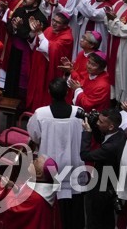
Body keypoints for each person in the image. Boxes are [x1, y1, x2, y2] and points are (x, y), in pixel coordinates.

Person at [26, 78, 84, 228]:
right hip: (72, 162)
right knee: (71, 209)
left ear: (49, 93)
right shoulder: (78, 112)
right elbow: (85, 135)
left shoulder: (41, 113)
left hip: (48, 164)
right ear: (67, 92)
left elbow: (34, 136)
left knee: (50, 204)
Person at [80, 108, 127, 228]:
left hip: (101, 189)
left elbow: (85, 155)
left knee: (95, 221)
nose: (97, 123)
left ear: (111, 127)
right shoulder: (120, 133)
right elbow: (101, 138)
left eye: (101, 122)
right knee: (107, 221)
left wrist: (87, 132)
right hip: (111, 185)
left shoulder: (110, 147)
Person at [26, 8, 74, 113]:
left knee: (46, 92)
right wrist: (33, 33)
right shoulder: (49, 29)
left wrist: (39, 32)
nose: (54, 24)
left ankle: (44, 113)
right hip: (40, 66)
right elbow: (36, 44)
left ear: (65, 25)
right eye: (54, 21)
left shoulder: (67, 37)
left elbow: (51, 49)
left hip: (51, 69)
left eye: (58, 22)